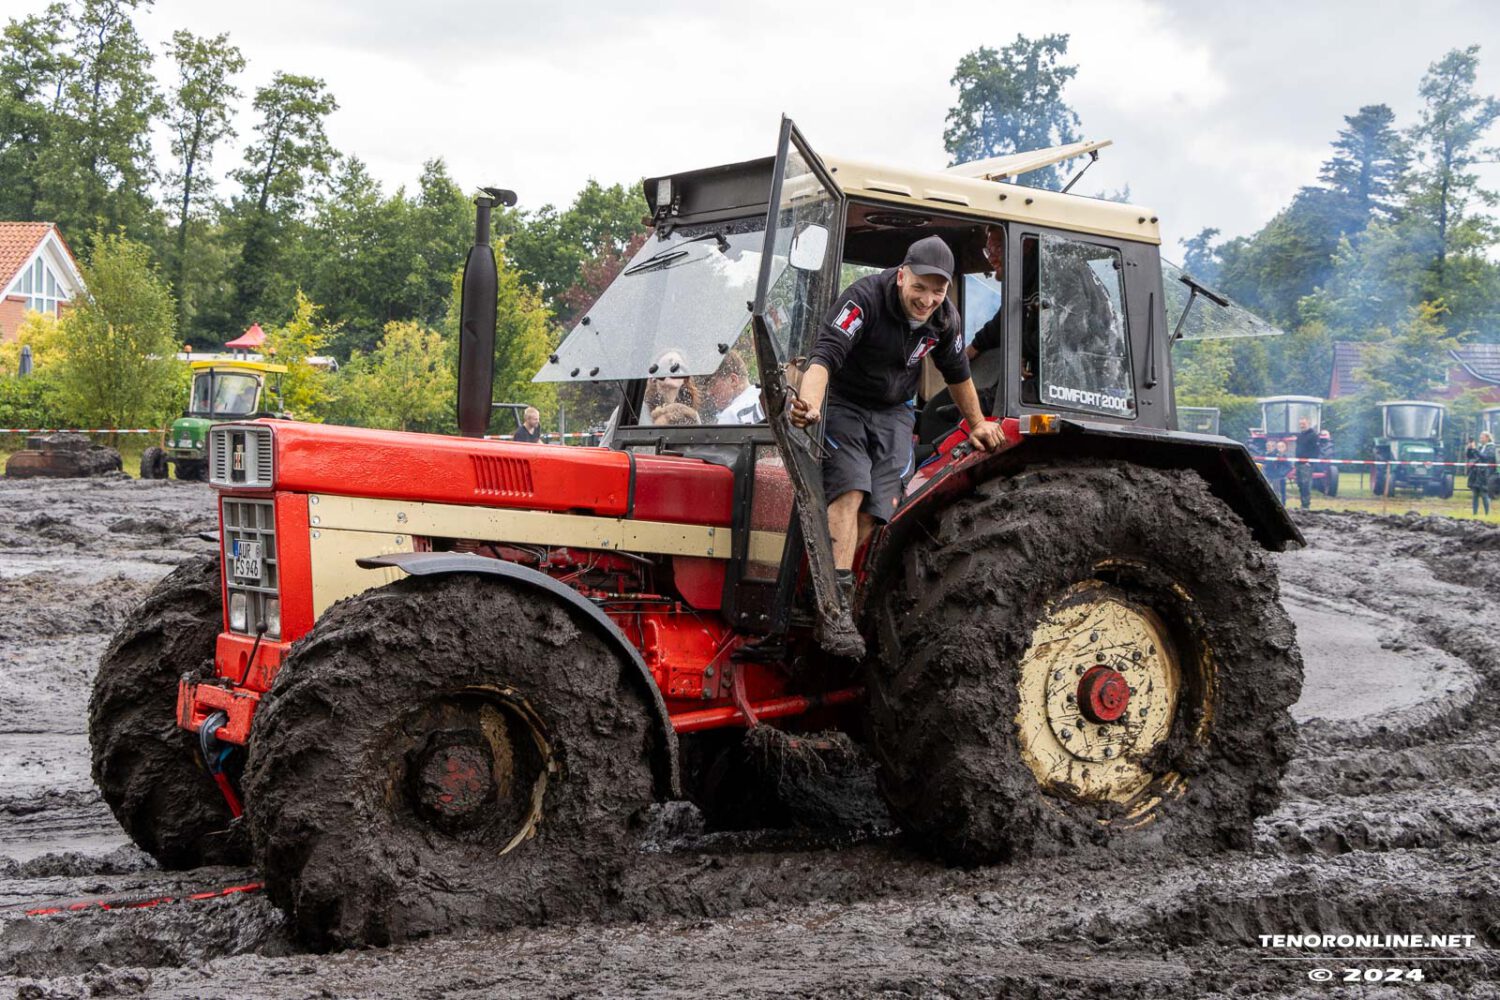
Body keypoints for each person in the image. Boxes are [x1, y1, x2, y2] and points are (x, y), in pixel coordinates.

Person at [789, 235, 1004, 583]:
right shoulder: (863, 300)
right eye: (919, 287)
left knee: (877, 509)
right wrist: (811, 405)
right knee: (850, 489)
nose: (927, 300)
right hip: (846, 402)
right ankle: (835, 607)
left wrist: (978, 424)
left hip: (894, 411)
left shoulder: (945, 318)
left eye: (938, 291)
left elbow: (958, 374)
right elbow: (823, 357)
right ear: (902, 275)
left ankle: (835, 587)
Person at [705, 349, 764, 425]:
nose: (709, 392)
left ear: (733, 380)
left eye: (712, 383)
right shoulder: (767, 398)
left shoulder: (731, 415)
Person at [1466, 431, 1495, 515]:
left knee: (1484, 494)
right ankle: (1474, 514)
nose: (1480, 439)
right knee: (1475, 494)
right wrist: (1470, 449)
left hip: (1484, 473)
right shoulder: (1480, 447)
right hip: (1476, 472)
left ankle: (1487, 514)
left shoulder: (1491, 447)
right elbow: (1470, 456)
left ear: (1487, 438)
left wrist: (1475, 449)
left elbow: (1485, 458)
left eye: (1482, 437)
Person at [1294, 417, 1319, 510]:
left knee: (1306, 484)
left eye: (1303, 424)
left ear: (1308, 424)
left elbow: (1316, 450)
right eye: (1300, 424)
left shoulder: (1313, 435)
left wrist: (1310, 461)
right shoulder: (1300, 436)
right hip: (1299, 463)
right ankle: (1302, 503)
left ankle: (1306, 505)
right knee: (1300, 483)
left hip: (1307, 464)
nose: (1301, 425)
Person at [1263, 439, 1292, 505]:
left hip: (1277, 477)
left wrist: (1281, 473)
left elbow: (1289, 466)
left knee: (1277, 493)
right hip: (1268, 476)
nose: (1268, 448)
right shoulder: (1266, 454)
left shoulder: (1280, 455)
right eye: (1267, 446)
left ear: (1274, 447)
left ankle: (1280, 505)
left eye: (1270, 446)